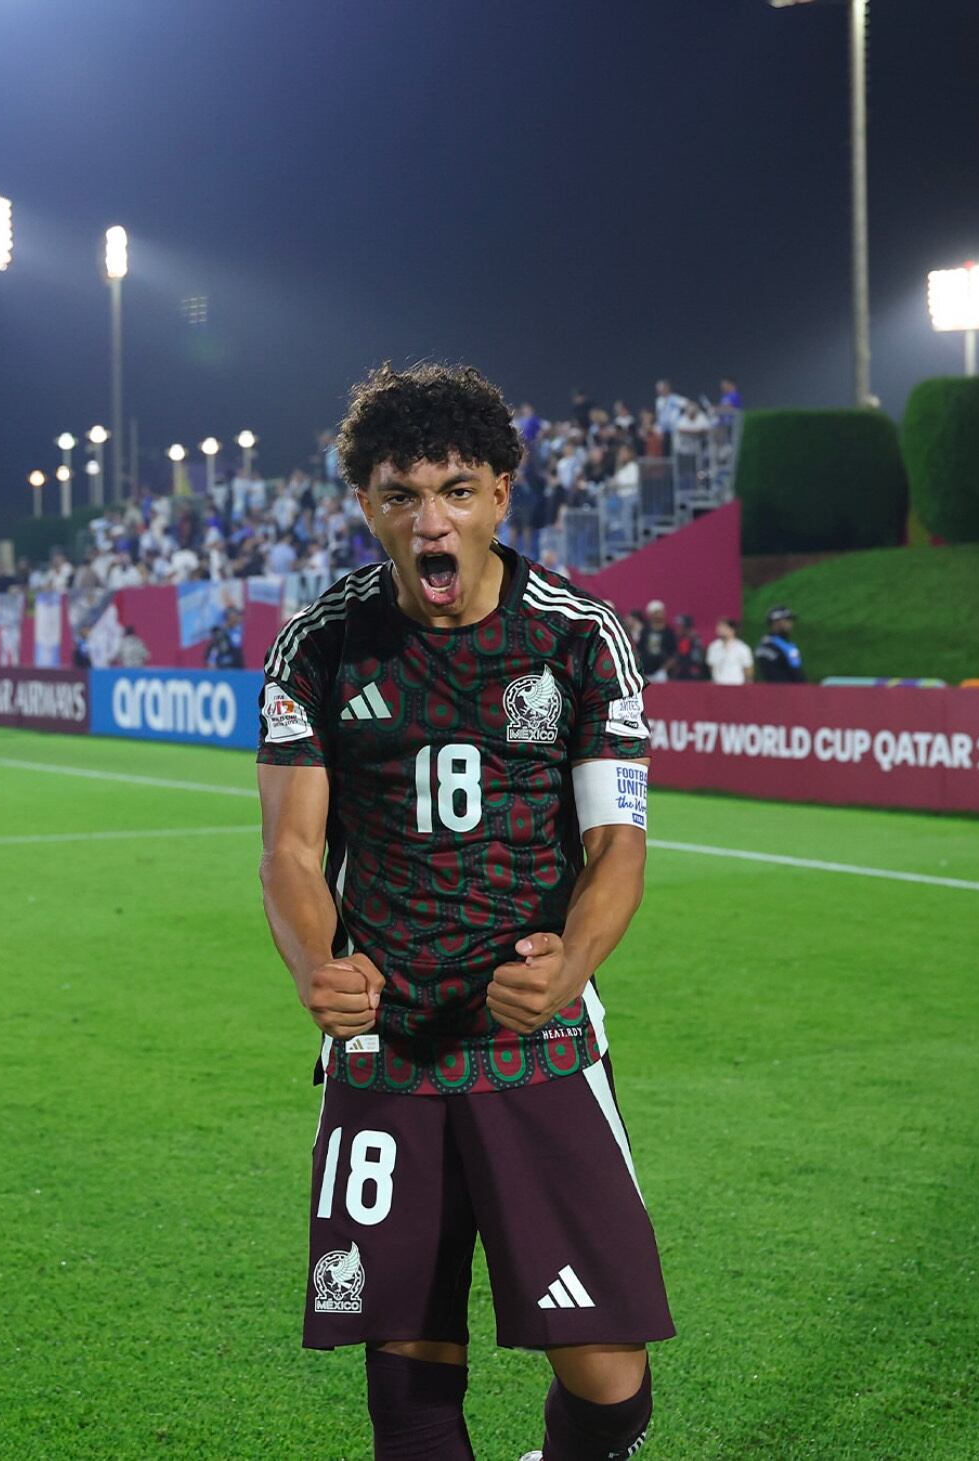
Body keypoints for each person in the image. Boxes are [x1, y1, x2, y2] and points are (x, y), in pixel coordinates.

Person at [257, 363, 673, 1461]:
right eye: (402, 495)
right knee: (409, 1386)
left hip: (530, 1035)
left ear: (501, 492)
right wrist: (318, 963)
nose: (429, 521)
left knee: (612, 1381)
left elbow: (616, 844)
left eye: (454, 490)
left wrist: (574, 962)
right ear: (366, 505)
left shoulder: (580, 638)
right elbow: (293, 850)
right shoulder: (320, 645)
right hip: (388, 1047)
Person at [755, 605, 806, 683]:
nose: (790, 623)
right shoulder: (767, 645)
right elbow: (771, 674)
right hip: (779, 691)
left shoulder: (789, 644)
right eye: (787, 620)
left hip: (796, 691)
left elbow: (797, 671)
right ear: (776, 622)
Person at [638, 600, 677, 683]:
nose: (660, 615)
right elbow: (639, 650)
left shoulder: (669, 632)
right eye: (657, 612)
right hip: (645, 671)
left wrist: (664, 669)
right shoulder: (645, 631)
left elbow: (674, 653)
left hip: (661, 672)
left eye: (661, 612)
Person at [706, 618, 754, 685]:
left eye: (723, 627)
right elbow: (711, 666)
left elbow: (748, 669)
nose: (720, 629)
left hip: (737, 685)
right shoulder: (713, 647)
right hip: (718, 685)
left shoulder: (742, 648)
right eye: (719, 627)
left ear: (732, 630)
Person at [670, 614, 707, 681]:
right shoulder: (684, 638)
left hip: (689, 674)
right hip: (684, 672)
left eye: (680, 626)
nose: (677, 628)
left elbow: (683, 657)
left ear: (686, 627)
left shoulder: (692, 639)